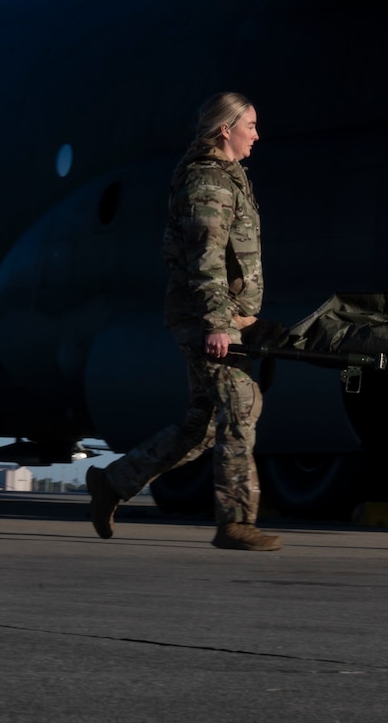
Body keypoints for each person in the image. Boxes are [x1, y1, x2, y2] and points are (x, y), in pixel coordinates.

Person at [85, 93, 283, 551]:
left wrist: (247, 319)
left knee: (202, 425)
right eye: (250, 125)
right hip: (204, 320)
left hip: (224, 318)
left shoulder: (230, 179)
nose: (257, 133)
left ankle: (112, 484)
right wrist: (218, 323)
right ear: (224, 130)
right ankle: (234, 521)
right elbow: (206, 259)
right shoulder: (209, 182)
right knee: (241, 403)